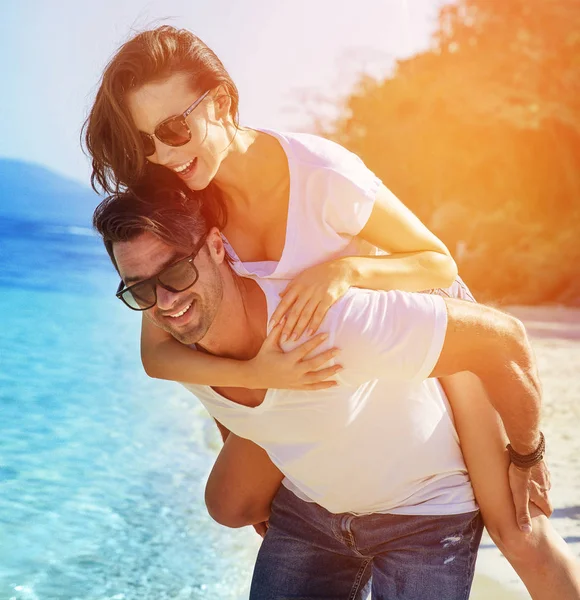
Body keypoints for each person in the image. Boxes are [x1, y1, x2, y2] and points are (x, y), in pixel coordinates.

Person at [84, 26, 580, 598]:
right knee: (237, 502)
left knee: (519, 530)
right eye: (148, 142)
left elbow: (436, 265)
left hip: (430, 323)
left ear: (219, 102)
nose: (165, 155)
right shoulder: (189, 207)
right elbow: (175, 352)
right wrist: (257, 402)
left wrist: (344, 272)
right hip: (342, 362)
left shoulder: (321, 175)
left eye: (174, 129)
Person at [93, 186, 551, 599]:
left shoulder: (321, 321)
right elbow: (221, 405)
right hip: (311, 515)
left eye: (174, 274)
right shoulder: (181, 344)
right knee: (225, 504)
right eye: (142, 290)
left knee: (522, 536)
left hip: (425, 515)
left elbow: (502, 337)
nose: (166, 302)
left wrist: (528, 453)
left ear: (216, 246)